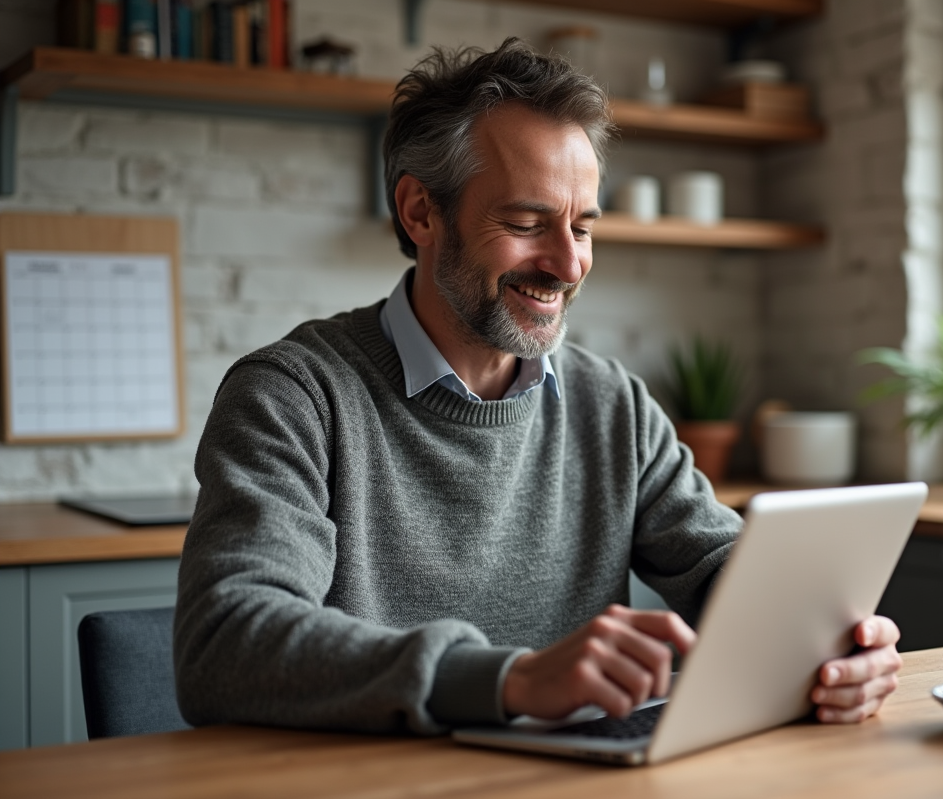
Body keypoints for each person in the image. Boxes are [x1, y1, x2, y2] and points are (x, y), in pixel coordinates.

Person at [173, 38, 902, 735]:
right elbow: (226, 644)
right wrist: (506, 680)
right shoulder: (292, 396)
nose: (567, 264)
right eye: (527, 222)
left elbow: (723, 571)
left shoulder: (611, 404)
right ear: (421, 212)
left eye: (582, 228)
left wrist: (831, 645)